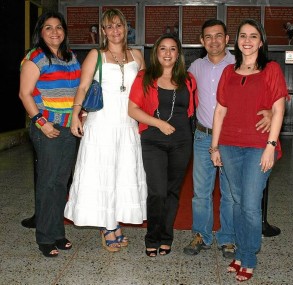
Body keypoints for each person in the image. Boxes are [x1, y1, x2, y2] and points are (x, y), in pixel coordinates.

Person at [183, 19, 272, 259]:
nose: (214, 40)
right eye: (208, 37)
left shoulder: (240, 63)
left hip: (233, 140)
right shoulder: (194, 68)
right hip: (204, 137)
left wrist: (272, 112)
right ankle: (201, 234)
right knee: (201, 192)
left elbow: (266, 94)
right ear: (202, 41)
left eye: (218, 35)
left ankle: (228, 238)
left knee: (231, 194)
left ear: (227, 38)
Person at [210, 18, 288, 282]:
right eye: (243, 35)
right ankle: (241, 252)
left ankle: (249, 256)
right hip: (229, 145)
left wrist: (271, 145)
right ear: (237, 41)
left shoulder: (272, 69)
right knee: (235, 202)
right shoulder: (228, 73)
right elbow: (220, 111)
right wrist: (214, 146)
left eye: (253, 36)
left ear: (261, 42)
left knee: (251, 205)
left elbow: (278, 109)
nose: (247, 40)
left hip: (258, 146)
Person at [64, 8, 147, 252]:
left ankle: (114, 221)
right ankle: (107, 226)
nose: (114, 30)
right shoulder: (95, 55)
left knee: (122, 174)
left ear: (125, 28)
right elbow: (82, 87)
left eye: (118, 25)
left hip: (128, 125)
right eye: (109, 27)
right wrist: (75, 115)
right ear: (103, 31)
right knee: (103, 174)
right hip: (101, 125)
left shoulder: (137, 56)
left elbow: (146, 90)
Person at [128, 33, 197, 257]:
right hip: (153, 141)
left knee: (172, 191)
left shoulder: (188, 79)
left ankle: (167, 237)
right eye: (163, 49)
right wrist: (159, 124)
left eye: (173, 49)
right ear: (156, 53)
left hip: (182, 142)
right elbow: (133, 109)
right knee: (157, 192)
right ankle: (152, 237)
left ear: (178, 54)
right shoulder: (144, 77)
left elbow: (192, 111)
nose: (168, 53)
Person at [19, 11, 81, 257]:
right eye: (48, 27)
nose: (54, 32)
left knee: (60, 183)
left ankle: (57, 233)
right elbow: (25, 93)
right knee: (48, 183)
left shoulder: (70, 57)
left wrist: (80, 113)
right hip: (47, 128)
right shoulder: (35, 58)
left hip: (69, 128)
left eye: (58, 27)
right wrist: (42, 122)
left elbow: (77, 89)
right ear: (40, 32)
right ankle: (45, 237)